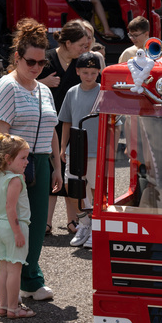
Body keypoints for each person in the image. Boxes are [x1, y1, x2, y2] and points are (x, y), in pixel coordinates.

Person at [0, 17, 62, 304]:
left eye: (42, 63)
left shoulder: (43, 89)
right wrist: (10, 171)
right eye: (31, 62)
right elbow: (1, 134)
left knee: (35, 224)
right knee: (8, 223)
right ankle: (0, 289)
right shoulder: (6, 87)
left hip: (40, 162)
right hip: (14, 166)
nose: (36, 68)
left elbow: (52, 128)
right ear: (17, 57)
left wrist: (57, 166)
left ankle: (30, 280)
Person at [38, 21, 90, 234]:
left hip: (75, 126)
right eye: (81, 45)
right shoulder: (47, 59)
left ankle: (72, 222)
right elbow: (23, 79)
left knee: (71, 176)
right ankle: (46, 223)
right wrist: (43, 81)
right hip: (49, 126)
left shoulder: (82, 62)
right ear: (68, 43)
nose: (85, 49)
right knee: (50, 175)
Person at [58, 52, 102, 249]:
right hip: (74, 149)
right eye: (85, 72)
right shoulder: (71, 92)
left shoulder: (104, 92)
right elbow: (66, 121)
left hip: (95, 149)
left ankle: (95, 228)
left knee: (94, 190)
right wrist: (62, 147)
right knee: (73, 188)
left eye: (93, 72)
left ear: (99, 72)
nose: (89, 76)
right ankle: (84, 223)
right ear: (77, 71)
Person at [0, 133, 36, 319]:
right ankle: (14, 308)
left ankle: (3, 305)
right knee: (15, 270)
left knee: (4, 268)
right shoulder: (15, 181)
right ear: (8, 159)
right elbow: (11, 208)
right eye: (23, 158)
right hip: (13, 227)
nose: (27, 162)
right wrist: (18, 232)